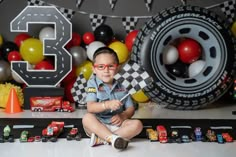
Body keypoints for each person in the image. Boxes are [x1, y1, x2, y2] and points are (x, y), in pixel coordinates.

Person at [82, 47, 143, 150]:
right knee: (87, 118)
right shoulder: (92, 83)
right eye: (101, 66)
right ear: (94, 69)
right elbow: (90, 107)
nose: (106, 70)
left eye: (110, 66)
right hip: (99, 124)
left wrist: (123, 115)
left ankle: (105, 139)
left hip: (118, 125)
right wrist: (106, 104)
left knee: (137, 125)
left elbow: (130, 108)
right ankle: (113, 138)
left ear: (117, 67)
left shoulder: (123, 84)